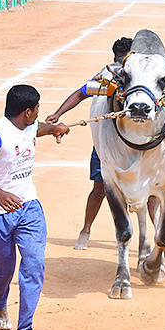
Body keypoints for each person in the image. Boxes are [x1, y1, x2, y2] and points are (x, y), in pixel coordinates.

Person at [0, 85, 70, 330]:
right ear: (26, 112)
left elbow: (41, 129)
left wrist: (56, 128)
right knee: (5, 267)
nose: (39, 113)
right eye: (37, 109)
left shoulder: (30, 127)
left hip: (28, 207)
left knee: (34, 264)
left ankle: (25, 329)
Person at [45, 37, 133, 250]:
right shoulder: (106, 77)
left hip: (135, 143)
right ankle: (85, 230)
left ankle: (160, 238)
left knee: (149, 191)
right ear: (114, 60)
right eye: (120, 61)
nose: (123, 66)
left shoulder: (141, 76)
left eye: (127, 61)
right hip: (107, 141)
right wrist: (58, 113)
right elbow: (80, 93)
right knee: (100, 188)